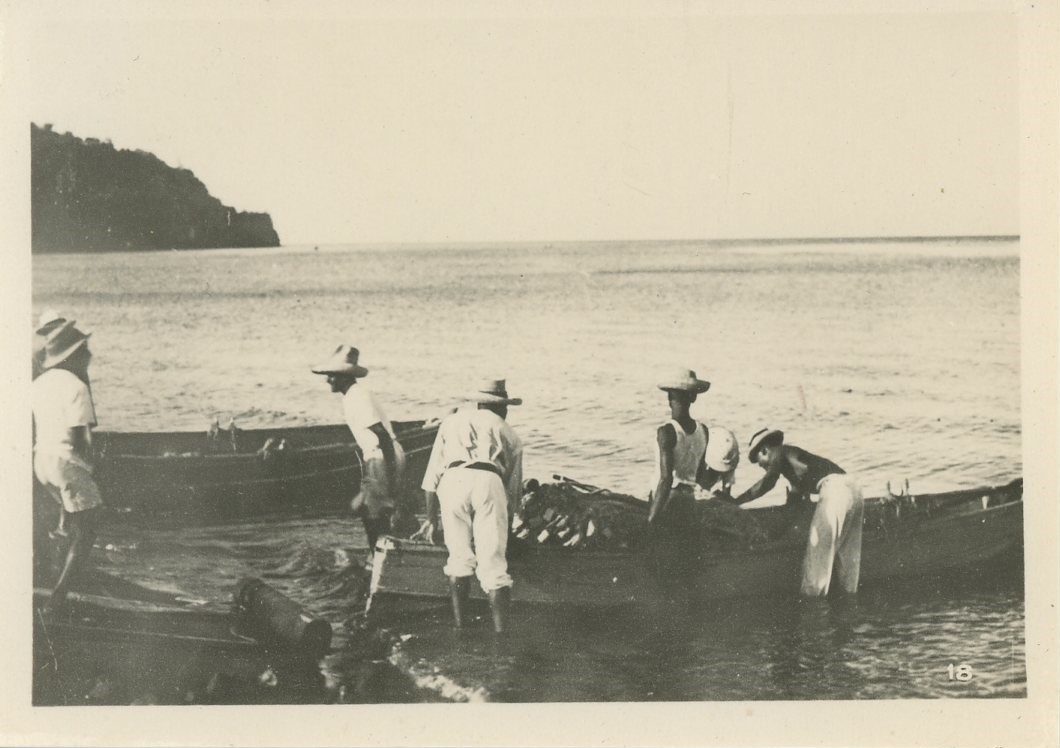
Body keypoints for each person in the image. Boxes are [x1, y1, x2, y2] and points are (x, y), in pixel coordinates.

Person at [413, 379, 524, 634]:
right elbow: (512, 491)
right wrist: (507, 530)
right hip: (489, 481)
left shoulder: (451, 422)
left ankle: (460, 627)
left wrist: (431, 519)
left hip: (452, 481)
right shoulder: (508, 432)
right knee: (494, 567)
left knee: (459, 559)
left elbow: (431, 478)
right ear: (501, 406)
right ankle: (501, 634)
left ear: (479, 403)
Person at [735, 428, 864, 597]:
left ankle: (813, 607)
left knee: (817, 565)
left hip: (835, 489)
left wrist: (736, 501)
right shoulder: (793, 463)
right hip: (853, 488)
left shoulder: (780, 452)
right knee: (848, 562)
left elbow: (768, 483)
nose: (762, 466)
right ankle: (849, 602)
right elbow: (799, 491)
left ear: (765, 450)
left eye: (760, 461)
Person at [311, 345, 410, 562]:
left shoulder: (357, 397)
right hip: (377, 456)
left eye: (331, 376)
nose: (328, 380)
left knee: (374, 513)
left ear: (343, 377)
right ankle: (380, 556)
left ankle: (381, 559)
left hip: (381, 456)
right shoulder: (352, 396)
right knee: (369, 509)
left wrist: (392, 477)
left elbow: (381, 435)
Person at [32, 320, 103, 615]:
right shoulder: (76, 386)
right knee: (88, 528)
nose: (89, 354)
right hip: (66, 462)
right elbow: (78, 437)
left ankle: (57, 580)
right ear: (73, 355)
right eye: (85, 350)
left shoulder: (38, 383)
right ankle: (58, 598)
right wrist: (93, 466)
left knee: (70, 523)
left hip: (42, 460)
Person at [33, 309, 68, 380]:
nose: (55, 332)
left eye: (58, 328)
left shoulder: (70, 349)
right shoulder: (38, 356)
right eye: (51, 330)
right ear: (45, 335)